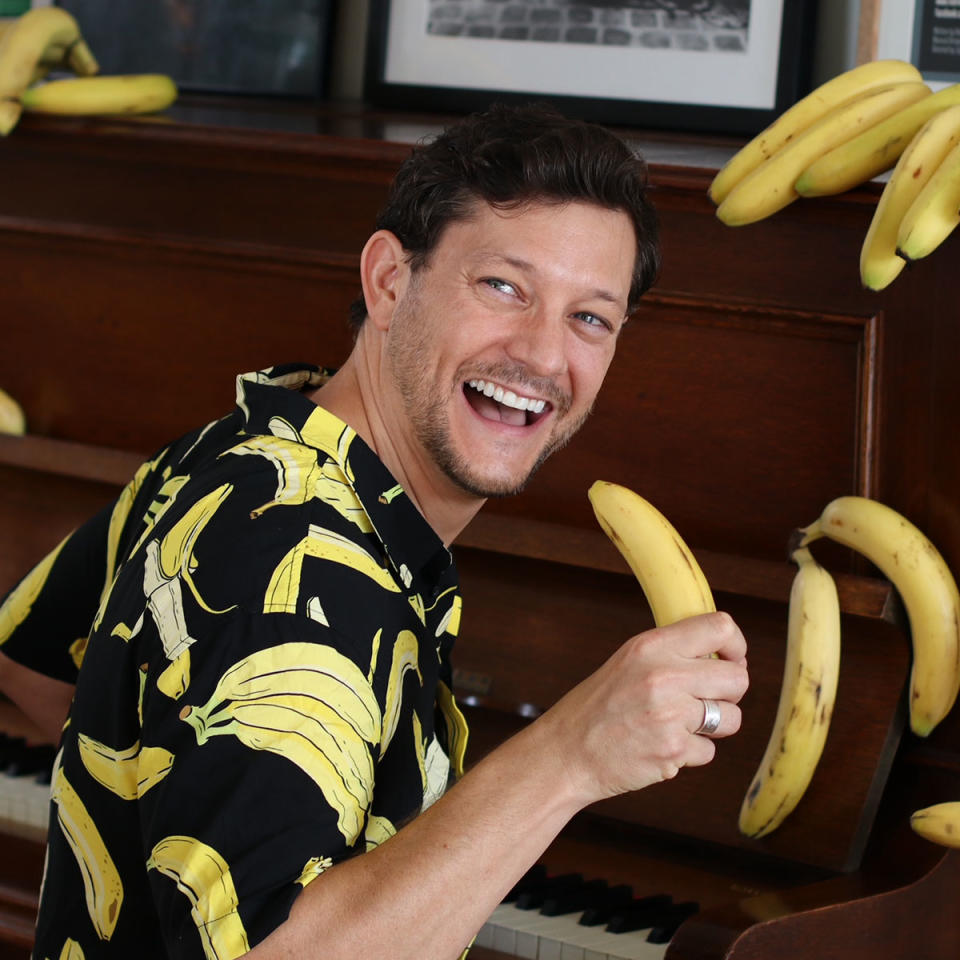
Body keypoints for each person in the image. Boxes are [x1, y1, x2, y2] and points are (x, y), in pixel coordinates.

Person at [0, 102, 748, 960]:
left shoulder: (245, 449)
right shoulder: (293, 559)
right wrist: (574, 754)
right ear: (390, 281)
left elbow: (31, 662)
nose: (544, 357)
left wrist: (177, 787)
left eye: (590, 318)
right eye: (504, 287)